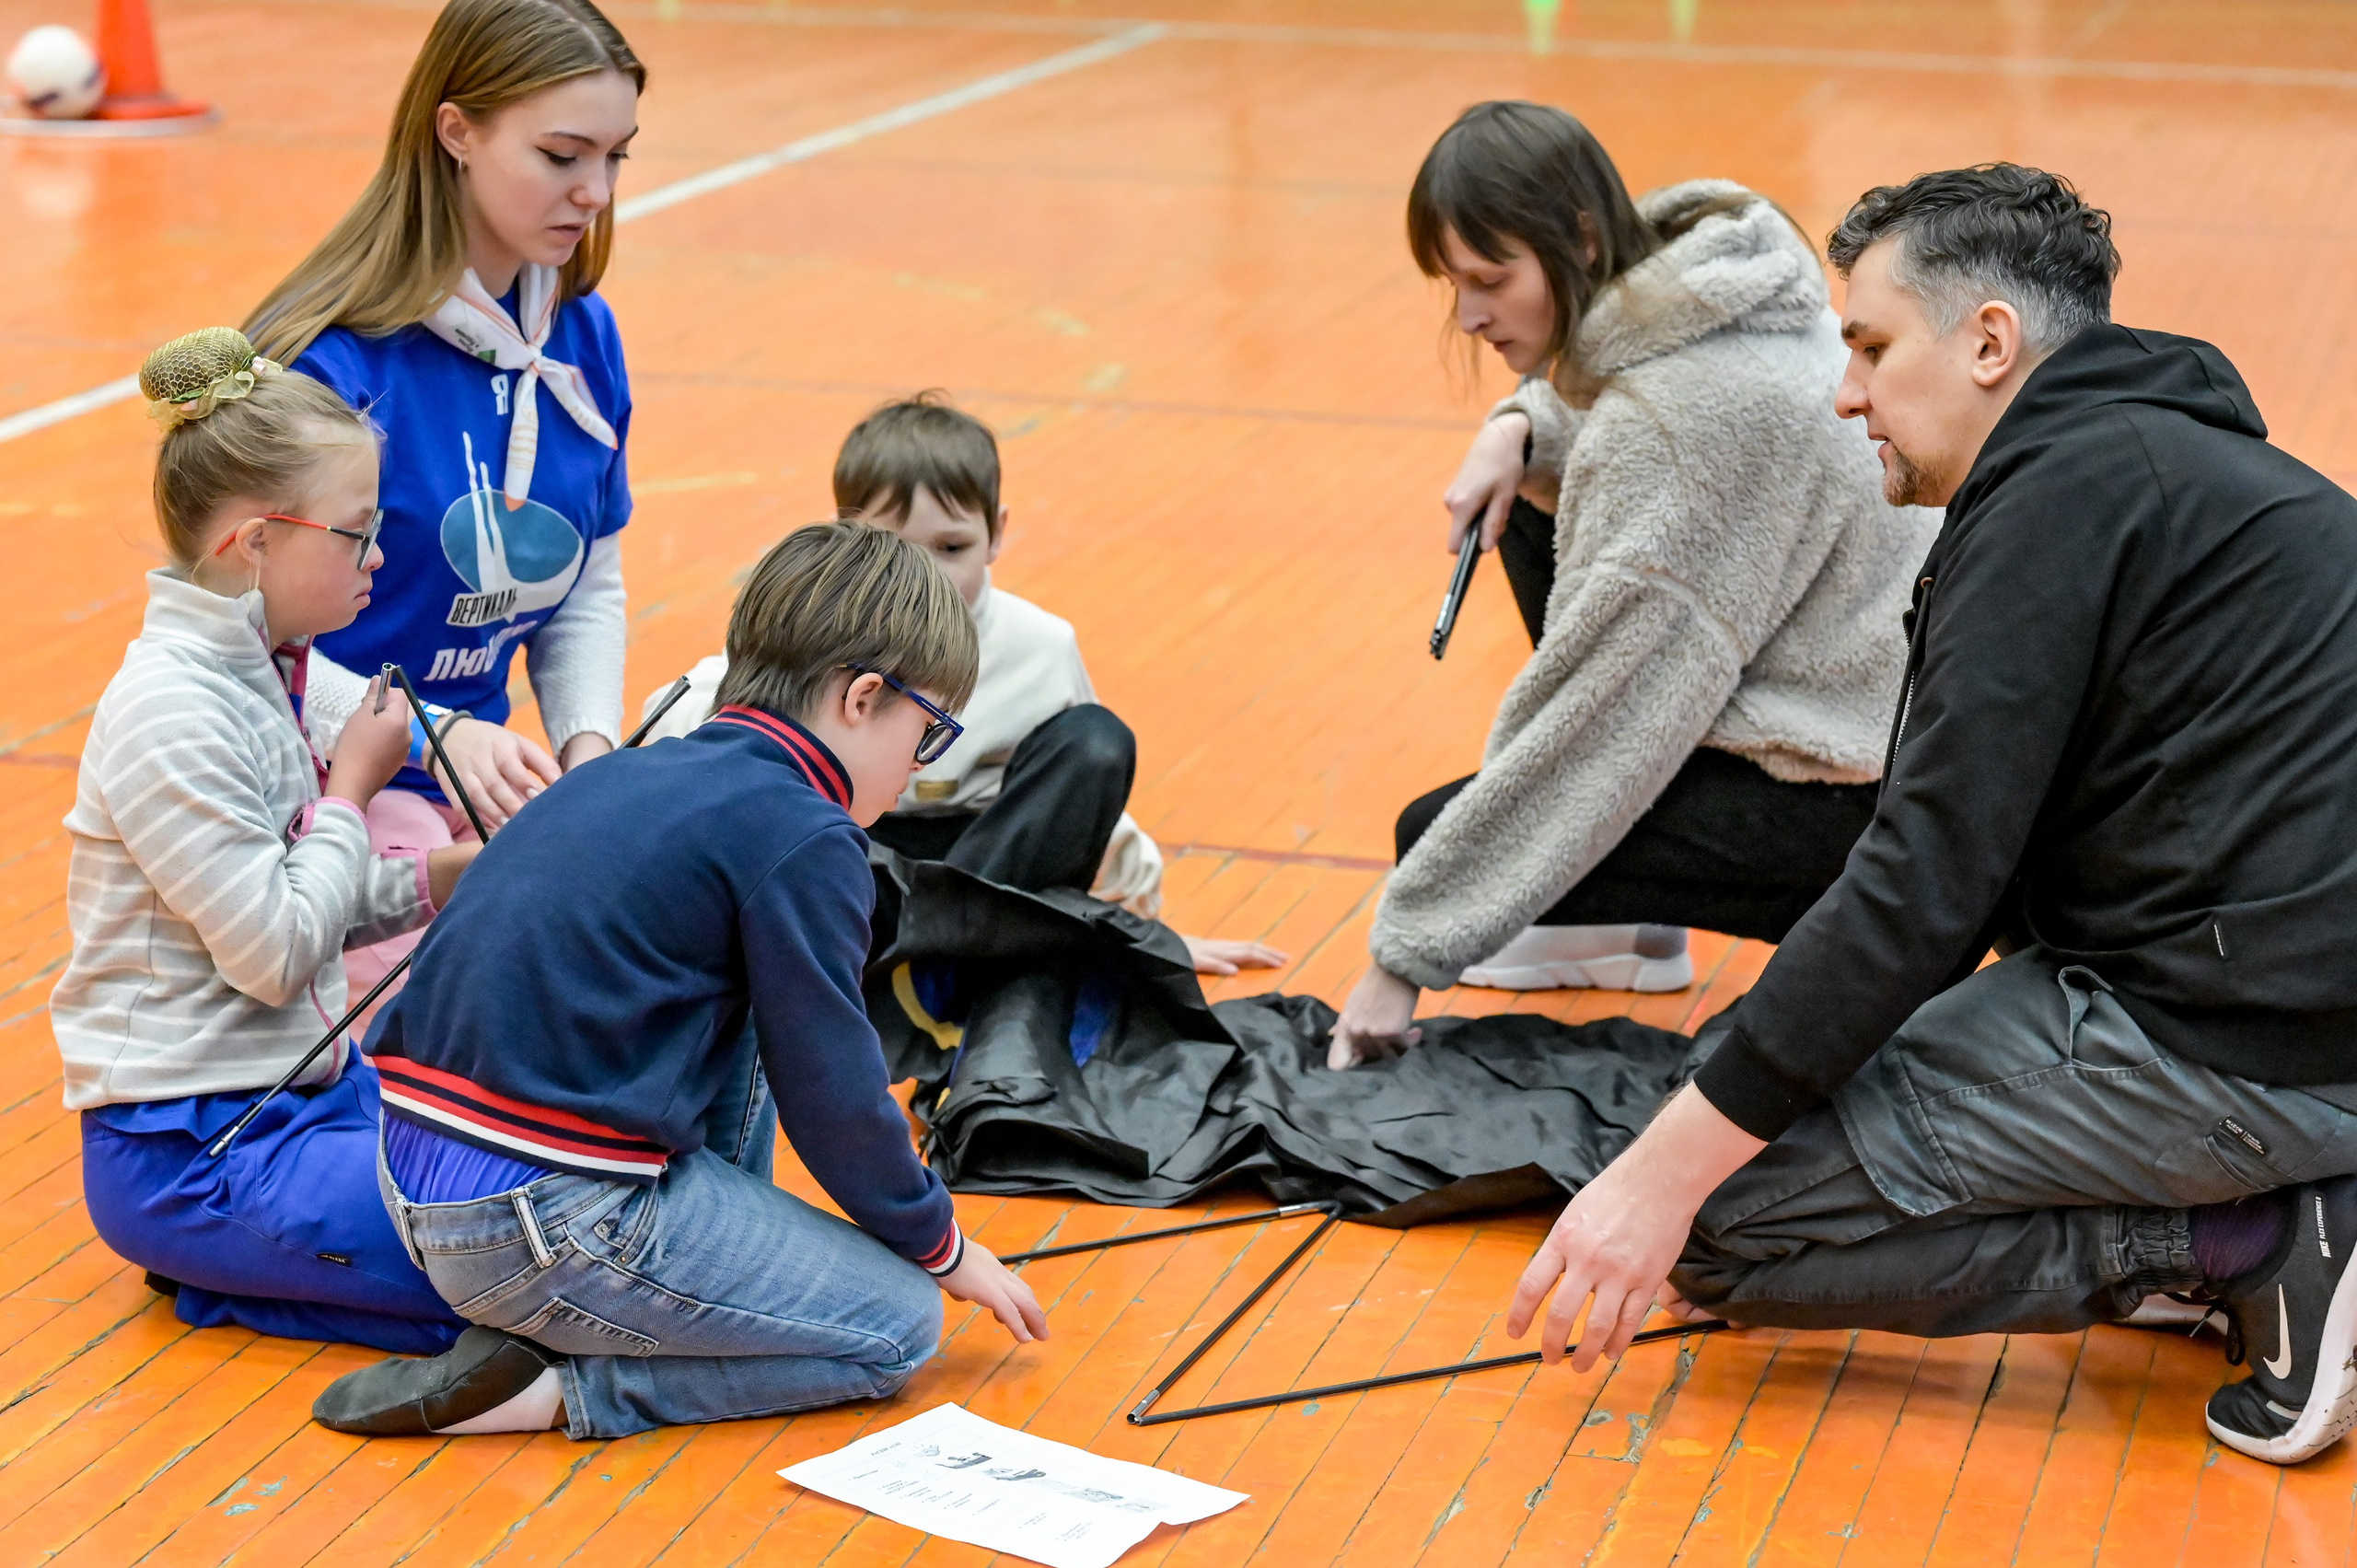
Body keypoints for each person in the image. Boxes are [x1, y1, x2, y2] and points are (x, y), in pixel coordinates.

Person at [1504, 165, 2357, 1469]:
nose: (1846, 391)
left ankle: (2246, 1239)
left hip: (2261, 1043)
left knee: (1725, 1222)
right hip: (2283, 1000)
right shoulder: (2165, 465)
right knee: (1736, 1105)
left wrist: (1657, 1181)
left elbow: (1920, 888)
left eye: (1872, 345)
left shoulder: (2054, 498)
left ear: (1990, 342)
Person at [312, 523, 1050, 1440]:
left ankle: (672, 1281)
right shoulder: (804, 830)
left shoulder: (637, 768)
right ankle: (558, 1391)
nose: (913, 768)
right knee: (898, 1326)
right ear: (864, 698)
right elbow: (835, 1090)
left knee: (748, 980)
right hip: (540, 1218)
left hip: (415, 1181)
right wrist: (943, 1244)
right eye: (925, 733)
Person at [1329, 102, 1933, 1063]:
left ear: (1576, 240)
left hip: (1860, 813)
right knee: (1534, 491)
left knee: (1431, 836)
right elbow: (1593, 415)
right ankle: (1631, 927)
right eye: (1454, 286)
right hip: (1897, 732)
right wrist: (1515, 427)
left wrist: (1401, 958)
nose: (1471, 316)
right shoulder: (1718, 294)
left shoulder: (1673, 426)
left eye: (1491, 280)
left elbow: (1600, 716)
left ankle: (1845, 958)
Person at [52, 328, 480, 1353]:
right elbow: (277, 951)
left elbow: (302, 896)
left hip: (308, 1099)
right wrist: (351, 788)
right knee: (530, 1259)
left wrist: (449, 875)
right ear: (254, 542)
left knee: (545, 1202)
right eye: (355, 532)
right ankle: (224, 1264)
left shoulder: (261, 667)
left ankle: (244, 1277)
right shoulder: (170, 708)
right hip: (199, 1147)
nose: (379, 556)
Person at [242, 0, 644, 1008]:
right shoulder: (330, 365)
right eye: (561, 154)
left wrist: (589, 754)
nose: (593, 191)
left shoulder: (581, 340)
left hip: (479, 789)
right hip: (322, 797)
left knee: (673, 944)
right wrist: (433, 733)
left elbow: (588, 579)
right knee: (484, 995)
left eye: (616, 157)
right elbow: (252, 643)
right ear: (454, 130)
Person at [644, 392, 1285, 977]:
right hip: (851, 864)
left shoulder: (1041, 645)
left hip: (978, 868)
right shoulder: (812, 626)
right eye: (896, 550)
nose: (928, 579)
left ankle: (922, 968)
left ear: (997, 533)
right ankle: (904, 967)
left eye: (951, 548)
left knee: (1096, 740)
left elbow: (1087, 799)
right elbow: (701, 727)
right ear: (849, 540)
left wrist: (1146, 931)